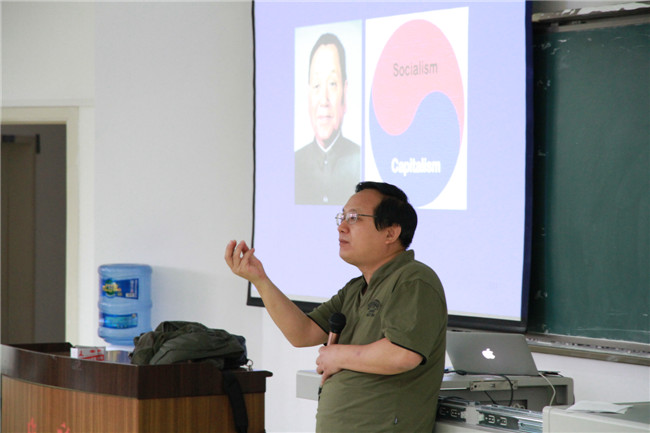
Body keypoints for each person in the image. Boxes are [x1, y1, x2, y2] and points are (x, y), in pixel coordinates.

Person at [225, 181, 447, 433]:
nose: (341, 227)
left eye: (354, 218)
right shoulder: (356, 288)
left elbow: (402, 355)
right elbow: (302, 333)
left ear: (390, 233)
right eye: (342, 217)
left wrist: (337, 355)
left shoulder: (413, 279)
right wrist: (260, 281)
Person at [295, 33, 360, 205]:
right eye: (317, 85)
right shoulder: (294, 163)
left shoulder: (360, 160)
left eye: (332, 84)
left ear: (345, 92)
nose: (324, 100)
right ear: (308, 95)